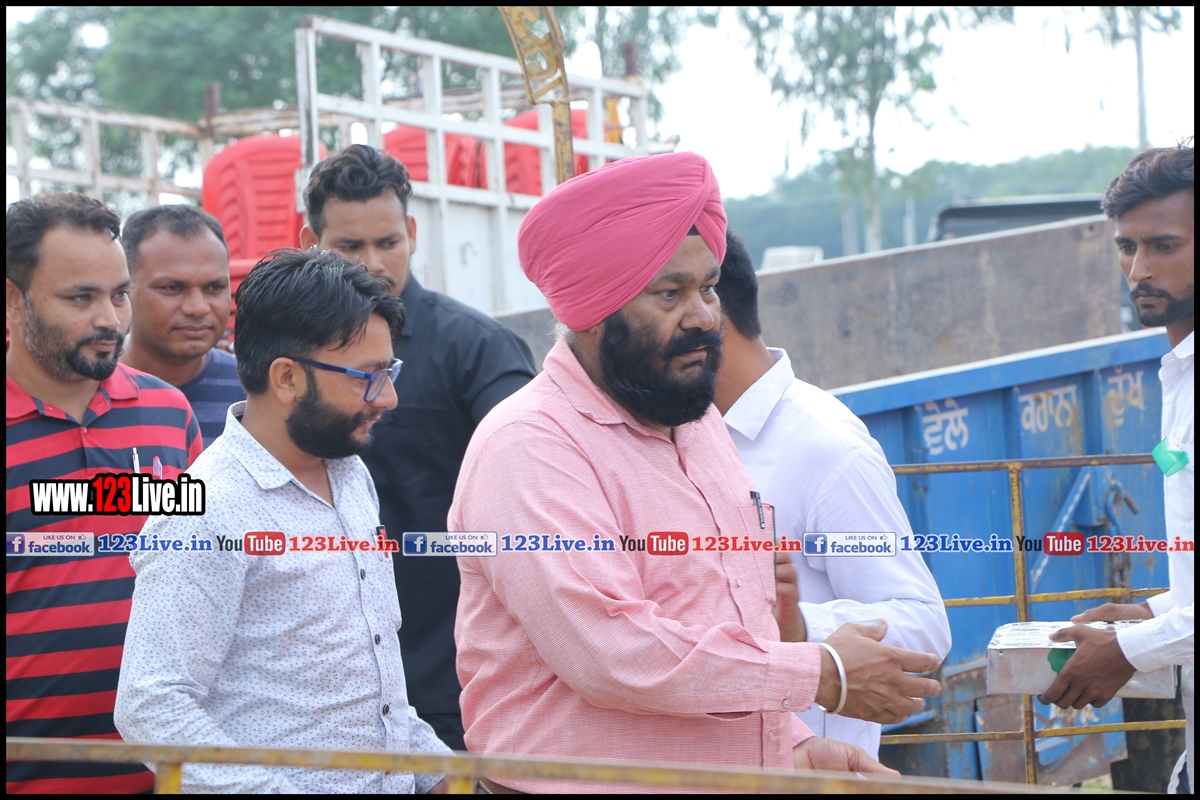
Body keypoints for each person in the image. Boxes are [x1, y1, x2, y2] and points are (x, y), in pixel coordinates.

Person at [450, 152, 943, 793]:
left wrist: (791, 747)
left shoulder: (696, 421)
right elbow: (613, 654)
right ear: (594, 310)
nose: (704, 316)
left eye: (708, 288)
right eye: (669, 294)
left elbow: (729, 624)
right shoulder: (530, 445)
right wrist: (819, 673)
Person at [114, 248, 452, 793]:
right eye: (367, 377)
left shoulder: (349, 473)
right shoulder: (207, 508)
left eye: (389, 371)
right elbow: (151, 705)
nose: (389, 397)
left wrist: (445, 776)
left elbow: (375, 694)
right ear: (288, 377)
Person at [298, 144, 536, 751]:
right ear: (310, 242)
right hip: (322, 688)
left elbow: (538, 488)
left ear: (412, 232)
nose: (373, 264)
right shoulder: (288, 364)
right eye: (349, 246)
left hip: (453, 678)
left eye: (388, 242)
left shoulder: (478, 350)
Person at [712, 230, 952, 759]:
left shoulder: (823, 448)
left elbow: (923, 625)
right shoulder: (680, 437)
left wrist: (802, 630)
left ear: (705, 309)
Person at [6, 192, 202, 793]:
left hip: (169, 777)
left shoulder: (170, 415)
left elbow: (204, 577)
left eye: (118, 294)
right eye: (80, 298)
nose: (110, 320)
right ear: (12, 301)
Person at [1039, 141, 1193, 794]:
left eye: (1163, 246)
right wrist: (1153, 613)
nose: (1138, 270)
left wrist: (1129, 650)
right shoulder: (1179, 374)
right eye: (1127, 248)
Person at [119, 204, 245, 448]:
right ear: (124, 288)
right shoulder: (82, 390)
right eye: (173, 288)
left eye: (214, 288)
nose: (198, 308)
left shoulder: (254, 392)